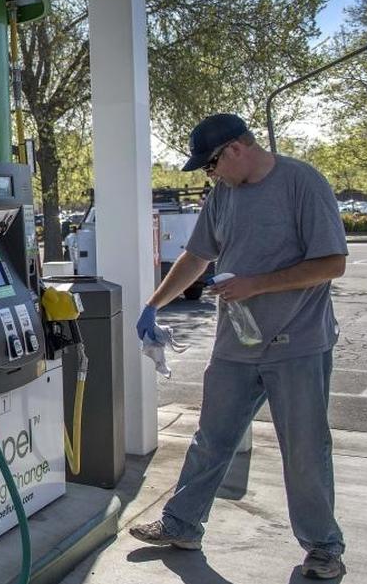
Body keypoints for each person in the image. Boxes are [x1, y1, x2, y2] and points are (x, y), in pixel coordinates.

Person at [129, 114, 348, 580]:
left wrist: (257, 285)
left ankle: (323, 547)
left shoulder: (302, 182)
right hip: (236, 345)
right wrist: (154, 304)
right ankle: (182, 524)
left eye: (210, 166)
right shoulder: (223, 196)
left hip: (298, 344)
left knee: (305, 451)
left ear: (233, 150)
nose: (210, 177)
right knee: (211, 440)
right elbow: (196, 255)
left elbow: (332, 263)